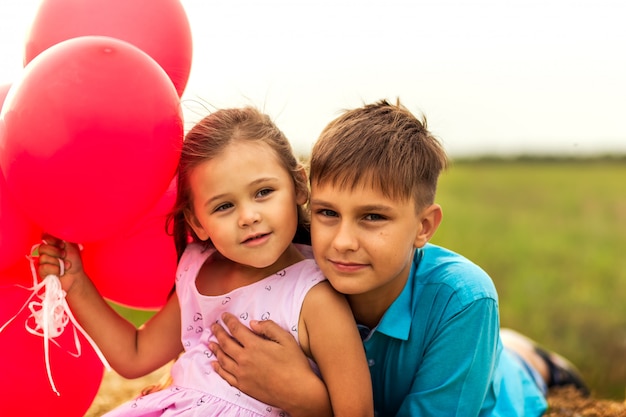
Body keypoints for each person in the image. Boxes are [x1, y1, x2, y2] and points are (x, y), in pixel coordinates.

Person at [207, 99, 589, 416]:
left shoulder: (463, 299)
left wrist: (309, 402)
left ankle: (534, 357)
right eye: (327, 213)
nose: (342, 242)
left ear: (424, 226)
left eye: (373, 217)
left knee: (515, 362)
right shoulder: (289, 281)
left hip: (507, 391)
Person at [37, 107, 373, 417]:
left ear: (299, 185)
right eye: (223, 206)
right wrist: (77, 284)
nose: (248, 216)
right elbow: (135, 354)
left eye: (263, 192)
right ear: (197, 222)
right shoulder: (199, 269)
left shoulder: (314, 297)